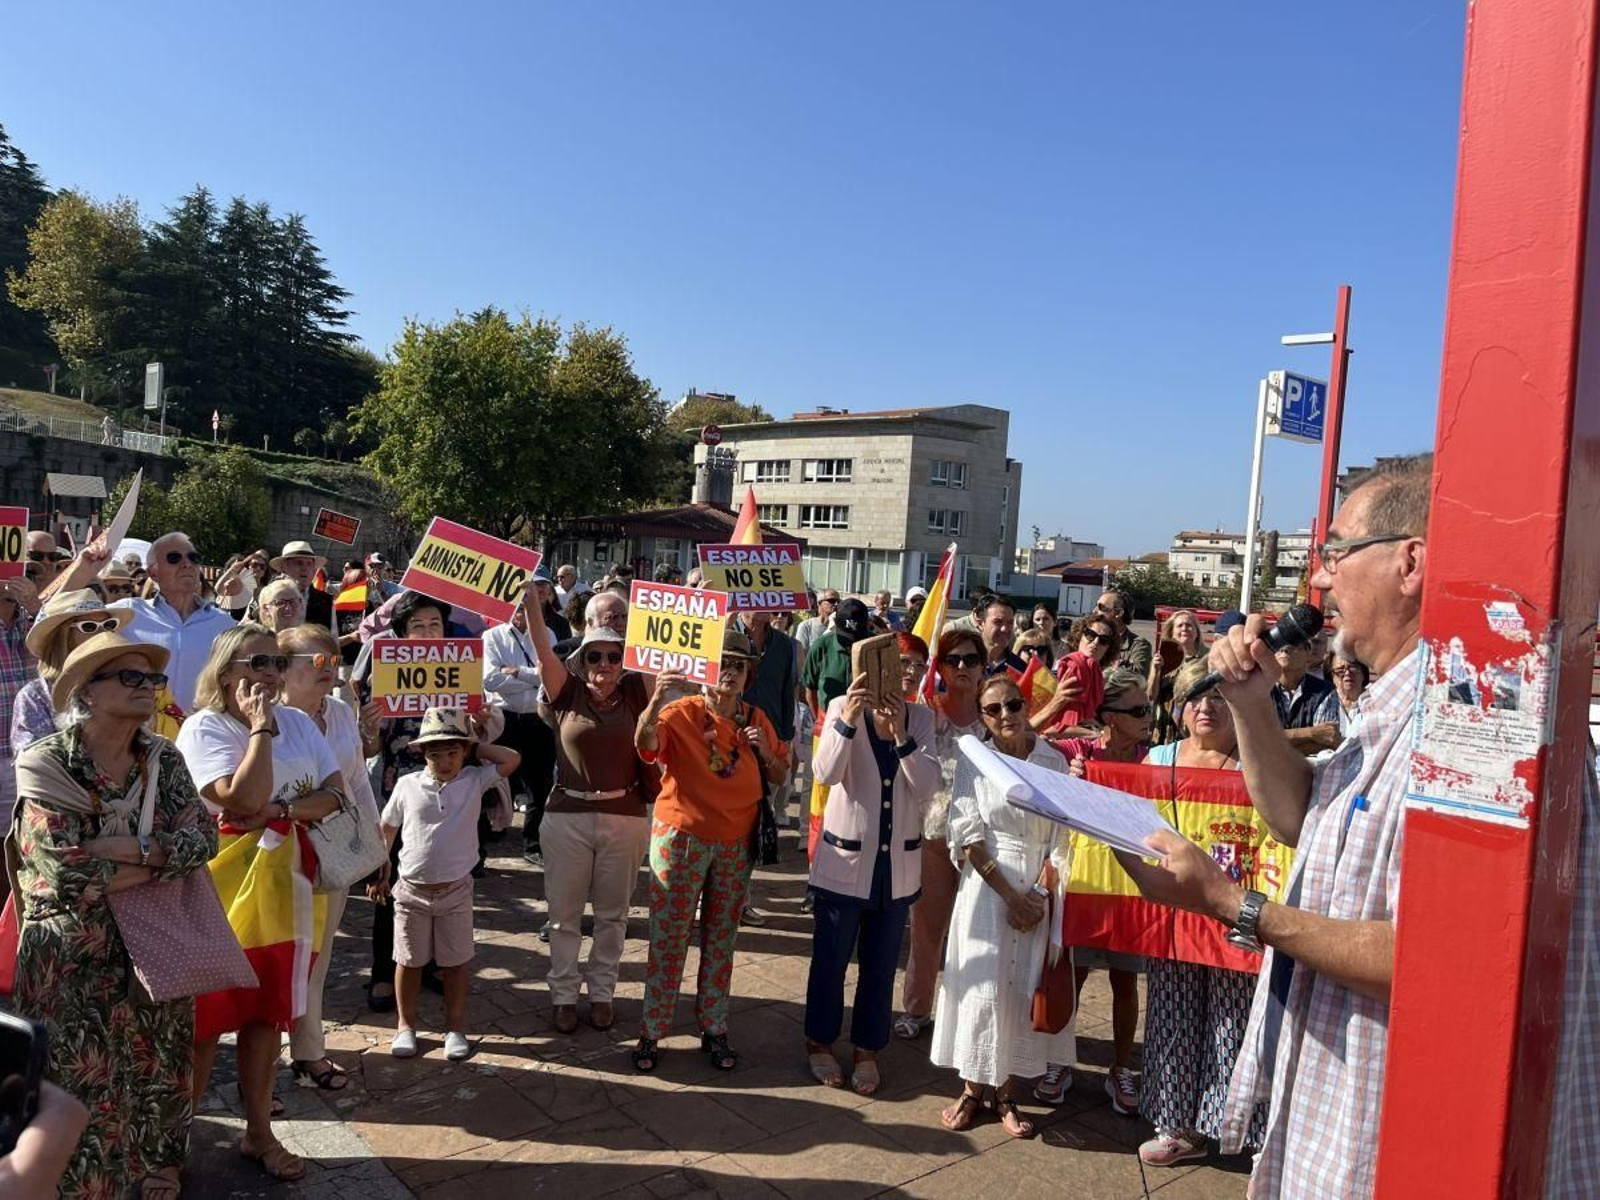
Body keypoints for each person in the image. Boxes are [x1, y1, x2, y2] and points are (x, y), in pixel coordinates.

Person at [1108, 452, 1600, 1195]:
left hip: (1390, 1142)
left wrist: (1228, 902)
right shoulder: (1391, 708)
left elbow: (1443, 958)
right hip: (1334, 1119)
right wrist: (1248, 704)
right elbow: (1303, 819)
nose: (1321, 580)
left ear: (1410, 562)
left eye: (1337, 551)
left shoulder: (1478, 716)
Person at [10, 633, 216, 1200]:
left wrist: (125, 850)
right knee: (75, 1080)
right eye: (130, 677)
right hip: (73, 956)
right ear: (87, 690)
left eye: (152, 679)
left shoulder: (162, 757)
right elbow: (64, 872)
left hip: (155, 944)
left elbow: (205, 840)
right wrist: (160, 856)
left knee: (157, 1066)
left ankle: (157, 1165)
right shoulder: (49, 762)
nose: (148, 688)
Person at [176, 622, 347, 1184]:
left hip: (288, 890)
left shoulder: (297, 721)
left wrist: (278, 814)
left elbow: (334, 795)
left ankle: (258, 1133)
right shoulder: (205, 729)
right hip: (220, 891)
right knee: (206, 1022)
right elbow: (236, 798)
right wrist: (258, 731)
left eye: (276, 663)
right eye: (257, 665)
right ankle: (176, 1142)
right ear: (225, 674)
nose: (271, 674)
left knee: (264, 1015)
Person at [1123, 662, 1263, 1167]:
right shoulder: (1158, 758)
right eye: (1195, 698)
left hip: (1234, 915)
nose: (1205, 708)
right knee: (1173, 1013)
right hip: (1176, 915)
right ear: (1180, 707)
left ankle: (1234, 1128)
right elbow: (1125, 816)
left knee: (1234, 1020)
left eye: (1218, 698)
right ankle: (1177, 1125)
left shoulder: (1255, 761)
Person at [631, 632, 789, 1073]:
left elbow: (779, 773)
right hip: (682, 839)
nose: (731, 673)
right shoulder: (680, 712)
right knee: (669, 938)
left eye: (740, 666)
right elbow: (646, 746)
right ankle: (652, 1030)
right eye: (724, 663)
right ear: (704, 669)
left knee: (722, 939)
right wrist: (655, 698)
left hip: (737, 844)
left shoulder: (756, 718)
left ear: (748, 675)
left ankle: (714, 1027)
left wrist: (762, 750)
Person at [930, 673, 1074, 1138]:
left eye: (1013, 704)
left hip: (1039, 884)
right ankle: (973, 1089)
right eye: (994, 710)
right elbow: (966, 832)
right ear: (983, 717)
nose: (1006, 715)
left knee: (1021, 989)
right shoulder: (976, 758)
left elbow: (1063, 835)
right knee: (982, 988)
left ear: (1026, 703)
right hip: (986, 887)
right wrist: (1011, 896)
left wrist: (1039, 894)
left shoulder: (1053, 760)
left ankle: (1008, 1094)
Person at [523, 596, 654, 1034]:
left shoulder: (638, 692)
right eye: (595, 655)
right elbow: (543, 652)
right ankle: (563, 995)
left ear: (624, 661)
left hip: (625, 817)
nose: (605, 663)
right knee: (563, 915)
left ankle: (602, 993)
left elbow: (663, 656)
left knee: (614, 916)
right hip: (568, 817)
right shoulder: (568, 693)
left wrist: (686, 609)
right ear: (581, 660)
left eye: (614, 655)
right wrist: (531, 604)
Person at [804, 667, 938, 1094]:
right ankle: (819, 1041)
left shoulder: (920, 718)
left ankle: (867, 1048)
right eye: (898, 665)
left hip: (894, 870)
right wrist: (849, 716)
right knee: (830, 960)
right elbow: (824, 772)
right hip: (844, 864)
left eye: (915, 667)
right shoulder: (844, 706)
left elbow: (928, 786)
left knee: (879, 968)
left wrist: (901, 736)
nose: (906, 675)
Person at [377, 707, 518, 1061]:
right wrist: (381, 870)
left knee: (455, 962)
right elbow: (388, 826)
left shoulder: (473, 780)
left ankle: (455, 1028)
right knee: (408, 960)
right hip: (410, 889)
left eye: (453, 752)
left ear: (463, 752)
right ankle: (405, 1026)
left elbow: (512, 758)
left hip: (456, 890)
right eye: (436, 753)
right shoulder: (408, 785)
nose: (445, 760)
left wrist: (475, 743)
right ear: (423, 753)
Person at [277, 622, 382, 1092]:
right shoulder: (264, 719)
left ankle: (310, 1051)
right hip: (276, 853)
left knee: (318, 956)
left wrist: (377, 842)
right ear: (283, 670)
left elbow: (357, 780)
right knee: (272, 958)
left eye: (334, 661)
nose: (330, 670)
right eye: (318, 662)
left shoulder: (340, 712)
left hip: (334, 850)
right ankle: (255, 1069)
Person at [1042, 667, 1153, 1111]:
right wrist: (1063, 762)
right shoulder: (1080, 751)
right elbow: (1024, 748)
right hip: (1085, 881)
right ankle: (1059, 1060)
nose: (1148, 715)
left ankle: (1122, 1069)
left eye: (1147, 707)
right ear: (1110, 718)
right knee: (1075, 975)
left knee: (1127, 982)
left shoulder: (1153, 759)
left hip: (1132, 885)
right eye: (1138, 710)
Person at [895, 629, 986, 1040]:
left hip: (984, 845)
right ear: (941, 668)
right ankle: (917, 1009)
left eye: (970, 660)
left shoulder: (998, 715)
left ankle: (968, 1016)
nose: (962, 667)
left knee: (977, 936)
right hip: (932, 835)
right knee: (927, 930)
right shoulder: (925, 714)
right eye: (953, 660)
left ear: (984, 667)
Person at [111, 531, 238, 720]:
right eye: (174, 558)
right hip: (138, 734)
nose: (187, 564)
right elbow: (59, 617)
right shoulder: (127, 614)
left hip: (199, 736)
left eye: (194, 558)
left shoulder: (224, 624)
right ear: (153, 572)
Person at [482, 594, 558, 867]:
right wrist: (531, 676)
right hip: (504, 719)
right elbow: (490, 680)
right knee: (490, 779)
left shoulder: (547, 635)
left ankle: (533, 843)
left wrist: (517, 673)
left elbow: (551, 674)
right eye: (516, 606)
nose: (520, 611)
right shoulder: (492, 637)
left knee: (540, 784)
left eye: (527, 607)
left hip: (537, 719)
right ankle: (487, 838)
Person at [11, 588, 131, 755]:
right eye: (89, 627)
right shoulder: (36, 696)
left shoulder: (128, 682)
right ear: (62, 637)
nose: (102, 633)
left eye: (109, 625)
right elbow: (35, 764)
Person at [739, 609, 797, 926]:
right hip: (724, 743)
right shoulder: (723, 633)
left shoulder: (786, 646)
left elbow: (788, 693)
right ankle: (707, 899)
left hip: (768, 746)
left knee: (753, 827)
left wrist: (782, 746)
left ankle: (740, 899)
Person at [1033, 612, 1120, 736]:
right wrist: (1099, 734)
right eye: (1090, 634)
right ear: (1080, 635)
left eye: (1103, 640)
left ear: (1108, 647)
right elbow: (1068, 722)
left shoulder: (1095, 670)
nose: (1095, 642)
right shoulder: (1076, 665)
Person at [0, 572, 39, 832]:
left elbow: (71, 648)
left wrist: (36, 606)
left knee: (15, 848)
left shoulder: (36, 622)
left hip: (26, 757)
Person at [1269, 618, 1342, 755]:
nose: (1284, 648)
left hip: (1307, 772)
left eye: (1293, 644)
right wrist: (1311, 732)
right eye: (1279, 644)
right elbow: (1254, 736)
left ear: (1308, 652)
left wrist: (1272, 745)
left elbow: (1327, 741)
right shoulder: (1259, 688)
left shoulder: (1325, 691)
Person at [250, 541, 333, 631]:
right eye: (299, 563)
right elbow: (247, 626)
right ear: (283, 567)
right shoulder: (265, 595)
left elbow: (333, 640)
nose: (305, 568)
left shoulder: (326, 601)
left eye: (309, 563)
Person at [1094, 590, 1152, 675]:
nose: (1094, 611)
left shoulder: (1138, 646)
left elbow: (1136, 679)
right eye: (1096, 606)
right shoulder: (1088, 638)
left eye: (1101, 607)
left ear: (1118, 613)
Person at [975, 593, 1024, 675]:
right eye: (998, 622)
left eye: (1010, 623)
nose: (1004, 629)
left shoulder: (1020, 669)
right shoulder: (965, 662)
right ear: (980, 623)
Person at [1328, 650, 1370, 736]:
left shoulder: (1374, 701)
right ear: (1332, 677)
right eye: (1340, 670)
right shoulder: (1324, 703)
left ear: (1363, 673)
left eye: (1353, 667)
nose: (1347, 673)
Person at [794, 589, 839, 663]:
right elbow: (801, 656)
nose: (836, 604)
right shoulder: (806, 626)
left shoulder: (841, 627)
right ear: (819, 603)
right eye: (832, 600)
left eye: (839, 601)